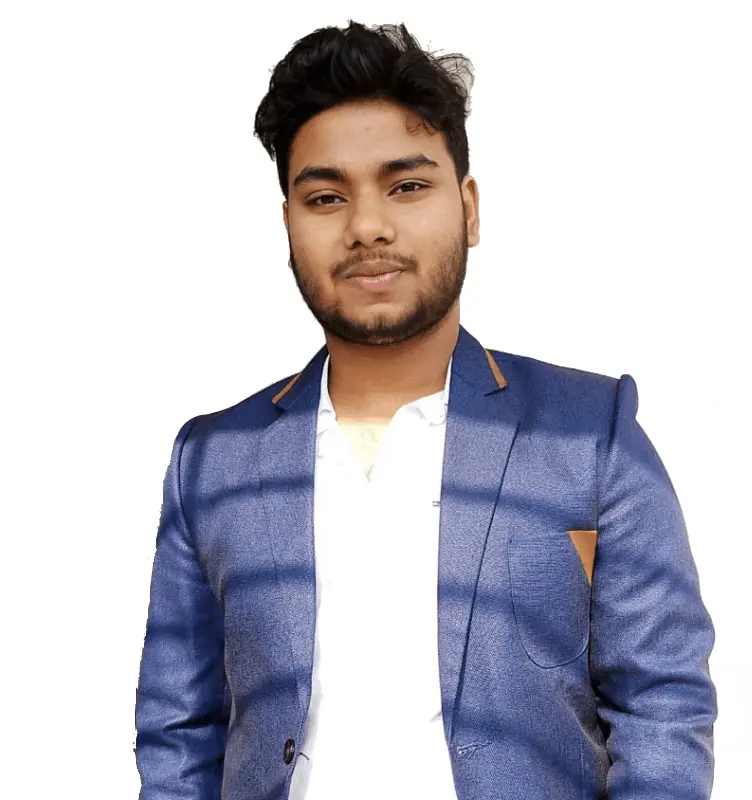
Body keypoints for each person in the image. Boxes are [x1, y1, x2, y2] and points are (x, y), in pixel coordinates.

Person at [134, 20, 717, 800]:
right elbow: (178, 735)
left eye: (406, 186)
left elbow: (663, 708)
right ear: (289, 226)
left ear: (469, 209)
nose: (367, 226)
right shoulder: (212, 461)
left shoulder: (589, 435)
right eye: (325, 197)